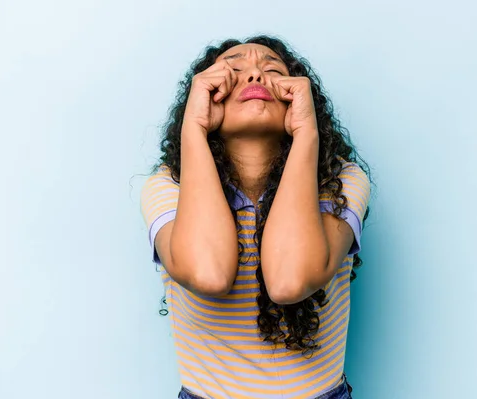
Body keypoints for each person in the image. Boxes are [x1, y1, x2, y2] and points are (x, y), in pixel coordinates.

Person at [141, 35, 372, 399]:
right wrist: (194, 128)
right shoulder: (168, 187)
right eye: (232, 72)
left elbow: (288, 282)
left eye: (272, 71)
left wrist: (306, 134)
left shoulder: (342, 182)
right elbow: (209, 274)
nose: (254, 77)